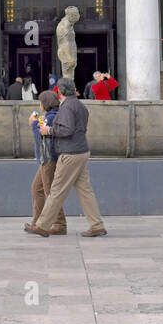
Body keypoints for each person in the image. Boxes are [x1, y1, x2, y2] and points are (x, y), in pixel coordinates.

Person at [25, 77, 107, 238]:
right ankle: (97, 225)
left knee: (56, 191)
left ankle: (42, 225)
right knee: (85, 191)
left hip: (70, 154)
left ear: (60, 91)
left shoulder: (67, 107)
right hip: (82, 151)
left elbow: (67, 129)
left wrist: (49, 130)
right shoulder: (80, 105)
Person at [26, 90, 67, 236]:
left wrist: (33, 123)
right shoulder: (53, 115)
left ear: (45, 103)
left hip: (49, 159)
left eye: (40, 102)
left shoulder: (51, 117)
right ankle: (37, 222)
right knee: (37, 188)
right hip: (47, 159)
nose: (40, 105)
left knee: (51, 192)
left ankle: (60, 224)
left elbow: (41, 136)